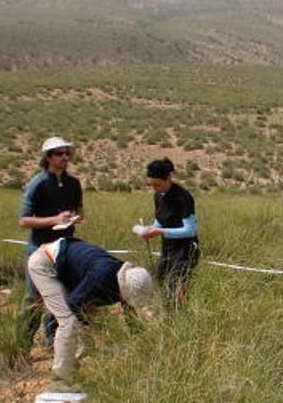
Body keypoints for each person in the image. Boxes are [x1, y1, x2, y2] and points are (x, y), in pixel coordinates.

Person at [27, 237, 153, 387]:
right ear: (124, 289)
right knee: (68, 321)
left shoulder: (125, 275)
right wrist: (88, 327)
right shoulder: (100, 277)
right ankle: (60, 380)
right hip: (45, 263)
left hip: (65, 267)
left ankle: (72, 368)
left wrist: (146, 346)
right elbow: (71, 306)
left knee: (83, 329)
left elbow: (131, 316)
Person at [17, 136, 84, 348]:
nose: (65, 157)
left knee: (60, 296)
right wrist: (54, 220)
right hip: (40, 250)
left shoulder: (74, 183)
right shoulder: (37, 184)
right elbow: (24, 220)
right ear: (47, 157)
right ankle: (22, 345)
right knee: (33, 300)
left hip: (65, 248)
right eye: (59, 153)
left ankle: (51, 343)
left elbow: (79, 209)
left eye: (67, 153)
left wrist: (75, 217)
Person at [137, 158, 199, 307]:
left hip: (185, 251)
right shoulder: (157, 196)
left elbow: (190, 230)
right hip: (168, 249)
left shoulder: (183, 197)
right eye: (151, 185)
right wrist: (150, 229)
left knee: (176, 288)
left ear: (168, 179)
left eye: (157, 184)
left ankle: (178, 317)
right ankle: (165, 314)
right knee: (160, 280)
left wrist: (159, 231)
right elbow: (160, 220)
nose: (154, 188)